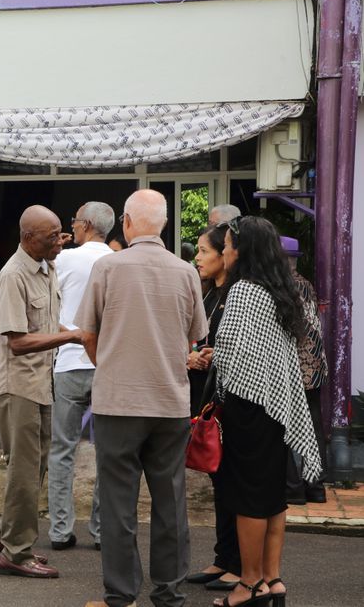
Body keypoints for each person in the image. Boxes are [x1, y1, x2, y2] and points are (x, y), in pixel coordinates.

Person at [75, 190, 208, 607]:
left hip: (118, 401)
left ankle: (121, 595)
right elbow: (194, 336)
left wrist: (111, 365)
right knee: (170, 502)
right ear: (165, 225)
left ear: (127, 224)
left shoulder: (108, 267)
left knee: (118, 504)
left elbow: (88, 335)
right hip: (170, 402)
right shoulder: (186, 272)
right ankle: (169, 594)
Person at [210, 217, 321, 607]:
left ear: (243, 249)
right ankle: (274, 579)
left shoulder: (243, 291)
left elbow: (233, 354)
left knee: (249, 498)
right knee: (273, 497)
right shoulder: (281, 289)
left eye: (226, 245)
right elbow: (272, 353)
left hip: (249, 404)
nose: (223, 251)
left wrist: (212, 360)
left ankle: (250, 582)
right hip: (277, 405)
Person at [0, 206, 77, 580]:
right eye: (52, 236)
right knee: (24, 470)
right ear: (28, 238)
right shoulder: (13, 275)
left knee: (36, 466)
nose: (60, 241)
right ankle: (16, 553)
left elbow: (43, 322)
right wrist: (73, 336)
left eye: (61, 233)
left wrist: (75, 330)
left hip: (41, 383)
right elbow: (19, 341)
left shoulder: (48, 265)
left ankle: (7, 534)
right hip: (17, 385)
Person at [47, 202, 114, 552]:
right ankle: (102, 531)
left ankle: (60, 530)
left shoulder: (65, 259)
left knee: (62, 450)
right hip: (107, 365)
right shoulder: (117, 261)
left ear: (85, 225)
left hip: (70, 362)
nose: (71, 227)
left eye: (73, 221)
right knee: (108, 452)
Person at [185, 224, 242, 592]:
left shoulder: (238, 295)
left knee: (234, 483)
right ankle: (224, 559)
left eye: (204, 251)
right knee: (220, 482)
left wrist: (214, 355)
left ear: (225, 254)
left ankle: (238, 564)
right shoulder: (211, 294)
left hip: (233, 405)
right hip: (209, 400)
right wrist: (195, 354)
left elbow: (242, 348)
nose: (198, 258)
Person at [280, 236, 328, 505]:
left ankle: (292, 487)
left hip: (294, 368)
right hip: (315, 368)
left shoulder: (282, 287)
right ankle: (316, 486)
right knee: (315, 428)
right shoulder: (305, 284)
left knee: (285, 426)